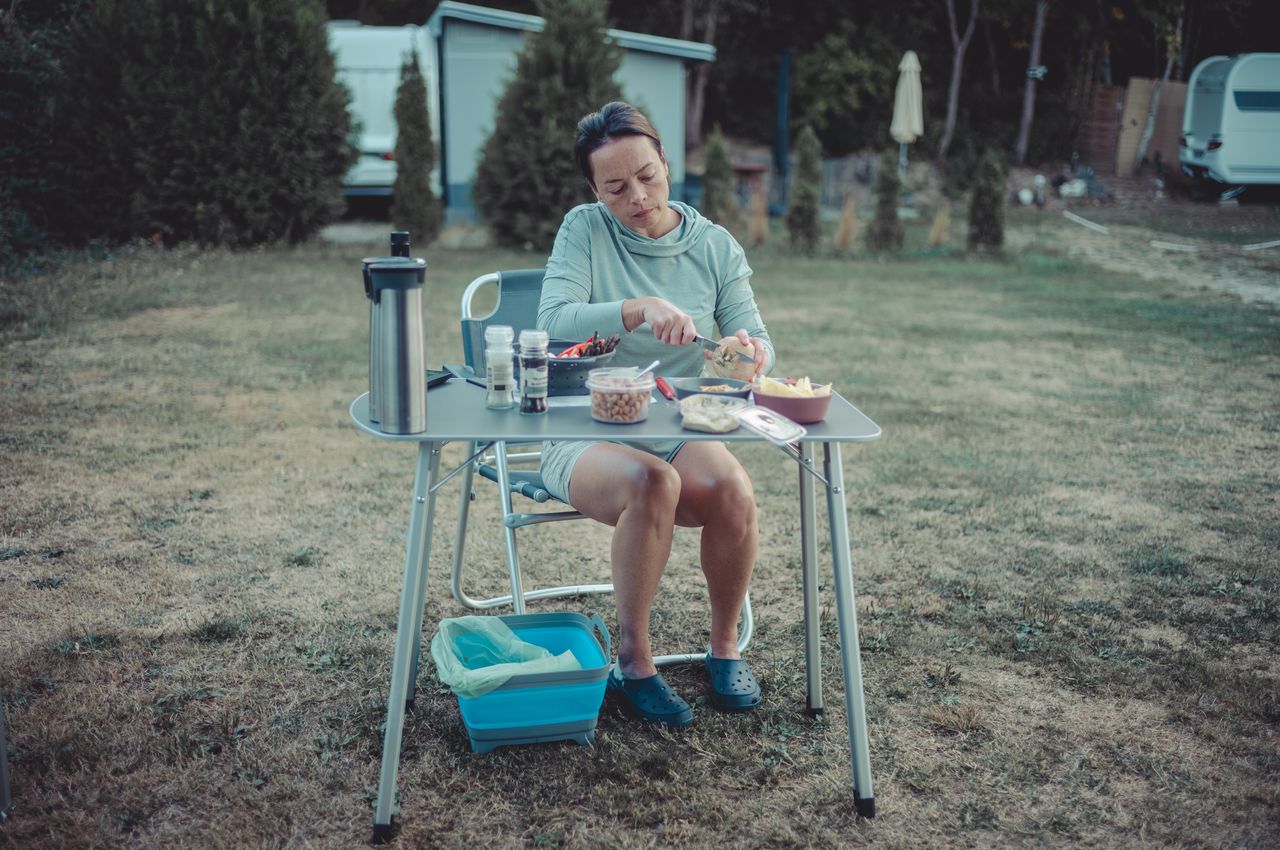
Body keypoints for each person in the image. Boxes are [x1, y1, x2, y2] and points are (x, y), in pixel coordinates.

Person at [537, 101, 775, 727]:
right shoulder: (584, 230)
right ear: (594, 190)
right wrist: (636, 307)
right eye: (615, 187)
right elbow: (552, 321)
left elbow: (757, 335)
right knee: (652, 483)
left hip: (678, 423)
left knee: (730, 487)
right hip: (580, 427)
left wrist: (749, 352)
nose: (637, 196)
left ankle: (724, 650)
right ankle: (633, 662)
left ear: (666, 160)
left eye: (647, 175)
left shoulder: (715, 247)